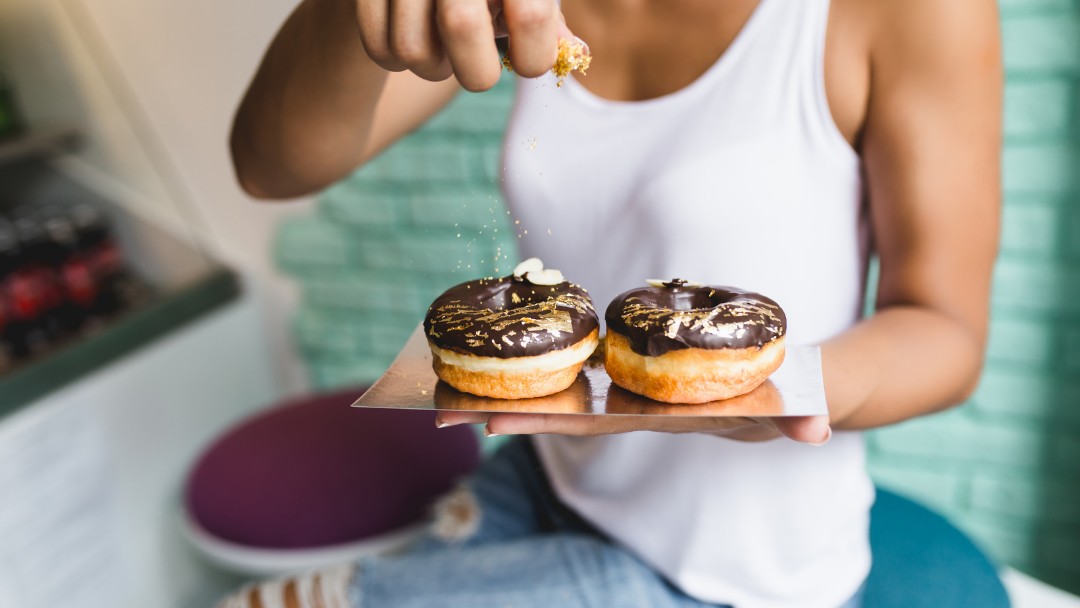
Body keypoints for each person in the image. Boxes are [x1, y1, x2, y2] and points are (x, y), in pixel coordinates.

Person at [222, 0, 1001, 606]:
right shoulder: (521, 9)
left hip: (733, 576)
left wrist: (782, 393)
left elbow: (948, 334)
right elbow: (270, 165)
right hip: (548, 475)